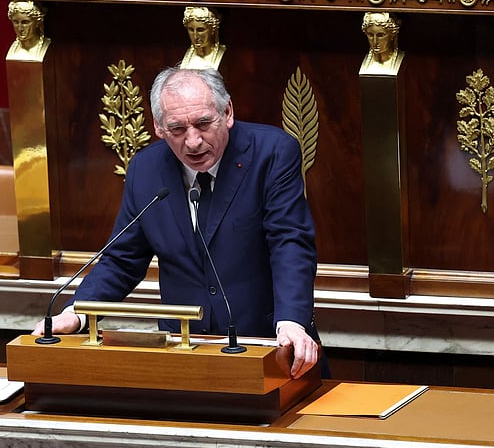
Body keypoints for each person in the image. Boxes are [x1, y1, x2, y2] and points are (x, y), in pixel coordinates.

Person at [33, 67, 320, 378]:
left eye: (203, 124)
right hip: (184, 352)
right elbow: (122, 259)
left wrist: (292, 319)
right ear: (158, 127)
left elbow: (290, 242)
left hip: (267, 346)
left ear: (227, 112)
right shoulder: (146, 169)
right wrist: (76, 313)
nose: (193, 142)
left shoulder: (273, 153)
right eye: (177, 129)